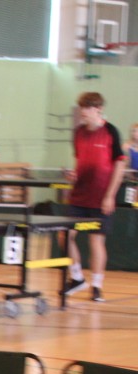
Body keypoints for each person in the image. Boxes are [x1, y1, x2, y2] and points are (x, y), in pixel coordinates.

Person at [63, 92, 127, 303]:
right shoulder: (78, 132)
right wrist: (74, 174)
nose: (84, 111)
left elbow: (119, 165)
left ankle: (97, 286)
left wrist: (110, 195)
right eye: (82, 107)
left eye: (88, 108)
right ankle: (77, 278)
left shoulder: (110, 131)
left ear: (98, 109)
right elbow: (80, 160)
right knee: (65, 235)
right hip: (79, 196)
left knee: (96, 240)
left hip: (100, 197)